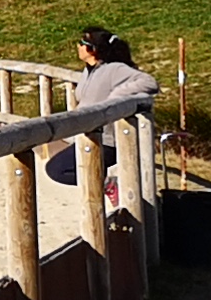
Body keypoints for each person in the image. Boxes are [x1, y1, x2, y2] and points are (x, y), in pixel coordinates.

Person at [52, 26, 156, 183]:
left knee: (58, 170)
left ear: (92, 49)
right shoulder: (89, 71)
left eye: (81, 43)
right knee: (56, 169)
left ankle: (108, 184)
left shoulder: (114, 69)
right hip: (87, 135)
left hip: (107, 140)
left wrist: (117, 96)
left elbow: (149, 82)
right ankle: (106, 184)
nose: (78, 46)